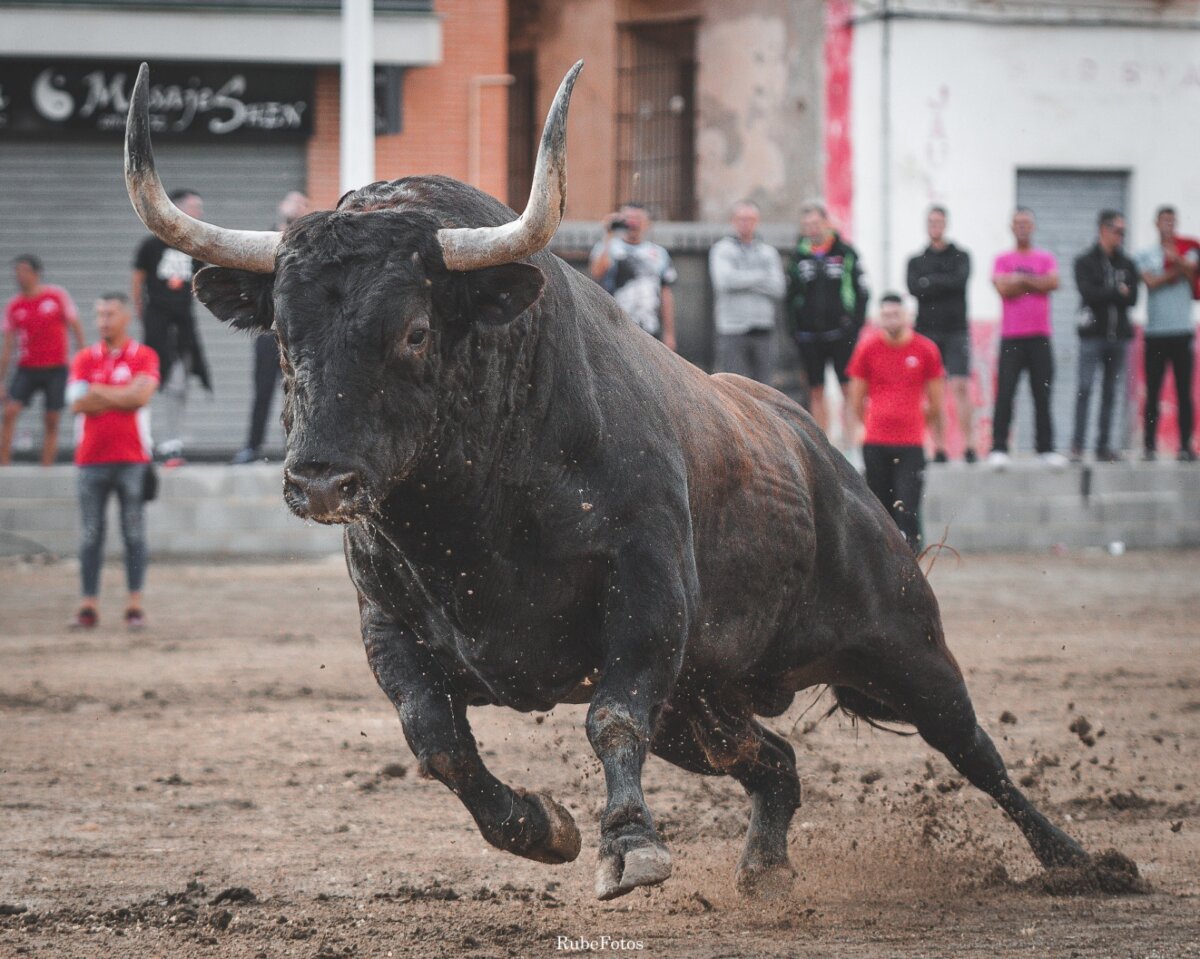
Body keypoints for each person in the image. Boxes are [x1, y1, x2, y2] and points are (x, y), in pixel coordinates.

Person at [66, 293, 160, 630]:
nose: (103, 320)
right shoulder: (83, 358)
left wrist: (98, 391)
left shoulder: (144, 355)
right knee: (91, 534)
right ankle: (88, 605)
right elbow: (77, 404)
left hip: (133, 459)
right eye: (99, 313)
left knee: (134, 534)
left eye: (110, 313)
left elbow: (142, 396)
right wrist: (123, 395)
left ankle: (134, 605)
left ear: (125, 319)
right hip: (90, 460)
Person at [847, 293, 944, 550]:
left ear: (907, 316)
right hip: (875, 441)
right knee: (879, 507)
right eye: (886, 314)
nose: (891, 319)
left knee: (908, 506)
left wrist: (919, 426)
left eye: (896, 314)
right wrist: (867, 424)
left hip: (911, 443)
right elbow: (857, 397)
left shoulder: (926, 349)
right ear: (878, 318)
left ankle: (913, 559)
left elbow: (936, 401)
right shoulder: (867, 348)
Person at [132, 188, 211, 465]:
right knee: (151, 379)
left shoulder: (194, 247)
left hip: (183, 325)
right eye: (194, 206)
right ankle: (145, 441)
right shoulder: (150, 246)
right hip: (157, 323)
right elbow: (137, 282)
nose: (199, 212)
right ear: (177, 208)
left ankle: (172, 442)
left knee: (180, 382)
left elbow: (201, 282)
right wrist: (145, 317)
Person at [232, 190, 310, 464]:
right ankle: (252, 447)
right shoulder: (263, 241)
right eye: (293, 201)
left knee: (303, 391)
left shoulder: (312, 245)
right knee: (263, 390)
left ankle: (296, 450)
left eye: (303, 203)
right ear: (281, 206)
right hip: (270, 332)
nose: (297, 206)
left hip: (304, 335)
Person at [988, 208, 1067, 467]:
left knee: (1042, 394)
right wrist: (1034, 282)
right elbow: (1003, 288)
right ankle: (999, 448)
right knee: (1005, 394)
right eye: (1018, 223)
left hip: (1040, 337)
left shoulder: (1045, 257)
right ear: (1012, 227)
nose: (1022, 227)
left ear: (1033, 227)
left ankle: (1045, 448)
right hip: (1012, 338)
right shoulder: (1002, 258)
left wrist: (1020, 280)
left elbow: (1053, 283)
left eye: (1026, 223)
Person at [784, 201, 868, 437]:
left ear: (826, 223)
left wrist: (855, 325)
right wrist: (795, 329)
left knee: (848, 388)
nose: (811, 228)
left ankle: (853, 442)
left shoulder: (845, 252)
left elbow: (862, 292)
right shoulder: (798, 257)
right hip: (809, 336)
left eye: (815, 223)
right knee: (815, 390)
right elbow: (790, 297)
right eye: (806, 224)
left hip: (842, 334)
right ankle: (824, 443)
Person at [1, 255, 86, 465]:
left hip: (55, 367)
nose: (19, 276)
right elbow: (8, 346)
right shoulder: (14, 306)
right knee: (10, 411)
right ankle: (3, 463)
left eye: (24, 271)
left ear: (36, 273)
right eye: (17, 271)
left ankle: (46, 467)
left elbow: (76, 328)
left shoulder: (56, 296)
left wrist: (82, 363)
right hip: (27, 368)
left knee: (52, 419)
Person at [906, 206, 974, 463]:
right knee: (933, 391)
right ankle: (940, 447)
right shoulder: (916, 261)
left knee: (960, 386)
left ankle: (969, 447)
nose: (935, 225)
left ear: (946, 224)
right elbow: (914, 288)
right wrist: (941, 282)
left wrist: (930, 282)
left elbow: (959, 281)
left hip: (956, 329)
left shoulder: (961, 256)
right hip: (926, 332)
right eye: (931, 221)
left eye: (939, 221)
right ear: (926, 225)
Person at [1070, 210, 1139, 463]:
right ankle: (1077, 445)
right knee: (1085, 389)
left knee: (1110, 392)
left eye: (1124, 232)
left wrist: (1111, 293)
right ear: (1103, 229)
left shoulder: (1127, 263)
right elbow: (1089, 293)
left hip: (1119, 337)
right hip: (1092, 337)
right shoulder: (1085, 261)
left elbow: (1132, 298)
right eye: (1117, 231)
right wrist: (1115, 291)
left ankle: (1103, 446)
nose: (1121, 236)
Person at [1136, 206, 1198, 462]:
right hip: (1155, 332)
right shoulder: (1146, 254)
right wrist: (1177, 270)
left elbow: (1192, 272)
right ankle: (1149, 446)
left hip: (1182, 330)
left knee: (1185, 391)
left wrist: (1178, 260)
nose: (1169, 226)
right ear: (1156, 224)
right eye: (1165, 221)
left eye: (1173, 222)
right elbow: (1149, 282)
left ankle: (1185, 446)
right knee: (1153, 391)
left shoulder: (1188, 248)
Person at [708, 200, 786, 383]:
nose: (746, 223)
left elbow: (778, 287)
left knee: (765, 388)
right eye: (741, 219)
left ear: (757, 221)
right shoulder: (721, 250)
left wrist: (742, 278)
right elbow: (725, 281)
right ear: (733, 221)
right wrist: (761, 276)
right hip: (732, 328)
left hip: (763, 328)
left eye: (750, 219)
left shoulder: (768, 252)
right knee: (733, 386)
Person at [589, 203, 678, 351]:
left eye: (638, 218)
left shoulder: (659, 253)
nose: (632, 222)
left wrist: (669, 333)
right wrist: (609, 234)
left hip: (649, 328)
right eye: (628, 218)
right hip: (614, 327)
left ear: (648, 223)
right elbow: (597, 273)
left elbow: (666, 294)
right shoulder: (608, 247)